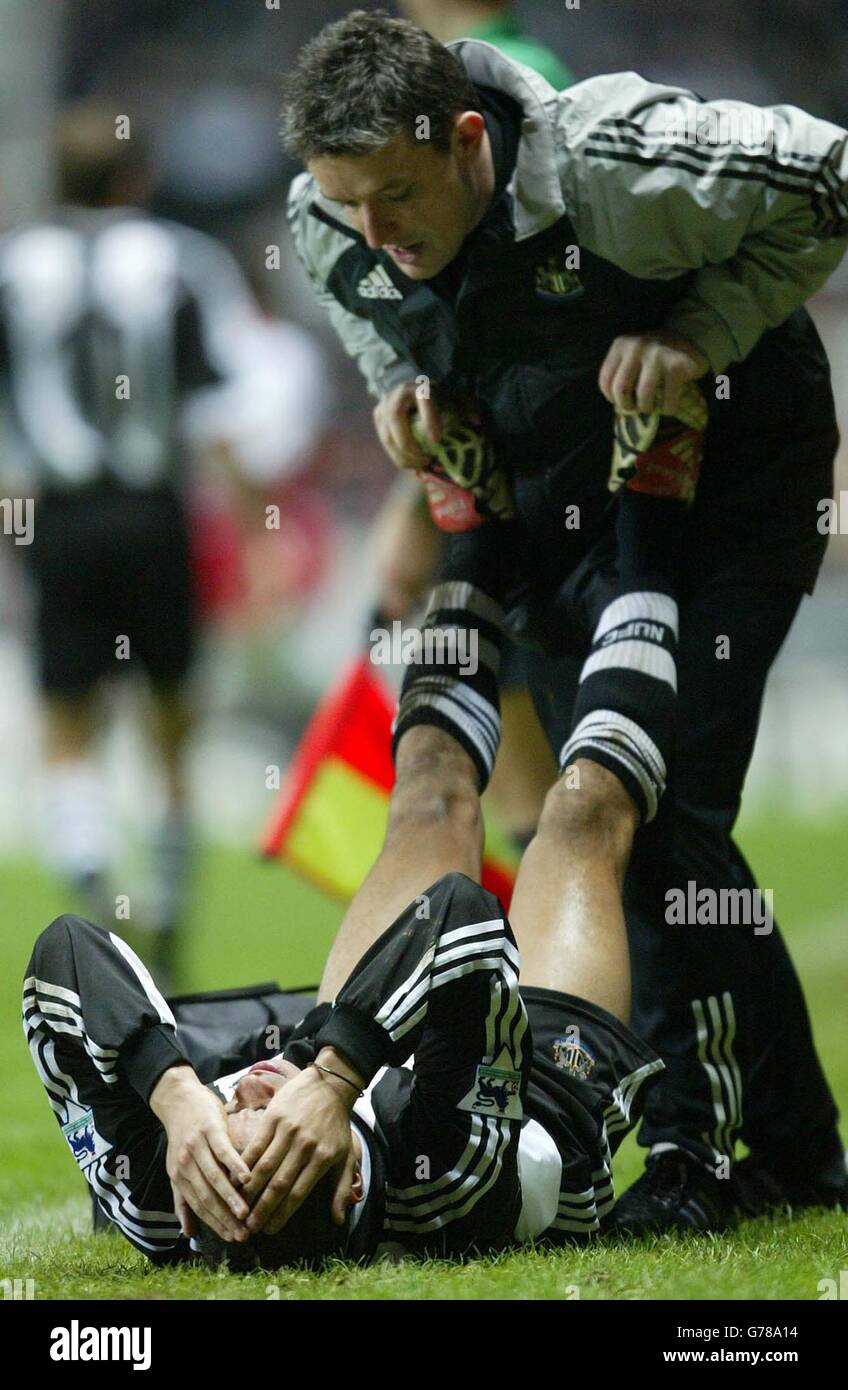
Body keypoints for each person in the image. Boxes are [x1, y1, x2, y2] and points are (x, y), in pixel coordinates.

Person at [281, 10, 848, 1231]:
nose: (371, 234)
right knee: (612, 813)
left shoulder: (616, 161)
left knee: (649, 807)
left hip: (736, 493)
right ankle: (798, 1144)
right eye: (347, 206)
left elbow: (828, 172)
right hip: (560, 503)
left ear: (470, 142)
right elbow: (385, 329)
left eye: (395, 196)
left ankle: (699, 1156)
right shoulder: (326, 217)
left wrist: (703, 333)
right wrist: (406, 404)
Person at [23, 834, 663, 1265]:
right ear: (352, 1180)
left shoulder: (160, 1200)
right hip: (529, 1100)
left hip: (346, 1074)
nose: (244, 1089)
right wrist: (333, 1079)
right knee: (580, 827)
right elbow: (464, 912)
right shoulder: (441, 1169)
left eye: (224, 1125)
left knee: (428, 794)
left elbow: (63, 949)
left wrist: (178, 1095)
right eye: (270, 1120)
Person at [0, 103, 258, 984]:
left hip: (59, 517)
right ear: (137, 180)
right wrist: (256, 525)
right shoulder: (184, 260)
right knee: (172, 723)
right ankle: (172, 917)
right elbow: (219, 408)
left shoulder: (11, 268)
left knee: (67, 723)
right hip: (156, 514)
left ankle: (93, 906)